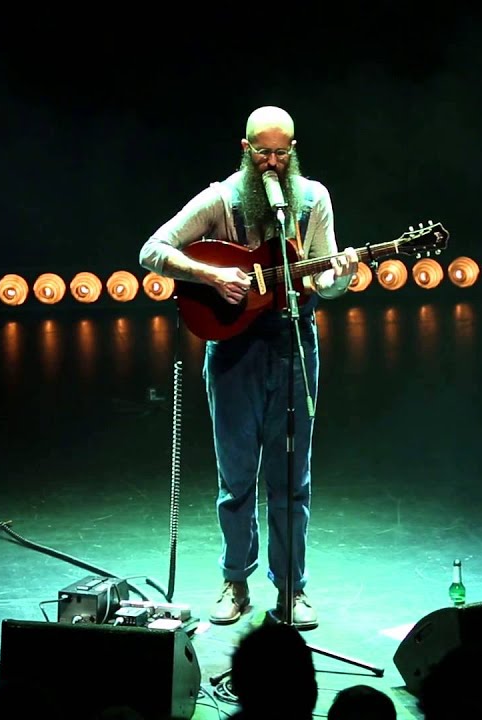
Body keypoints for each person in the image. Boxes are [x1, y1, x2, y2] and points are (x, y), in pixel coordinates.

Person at [139, 105, 357, 629]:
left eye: (282, 153)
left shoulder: (313, 199)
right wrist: (211, 276)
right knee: (236, 477)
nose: (273, 162)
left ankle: (291, 589)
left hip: (294, 344)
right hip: (235, 350)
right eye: (263, 152)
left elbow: (323, 280)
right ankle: (235, 581)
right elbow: (152, 250)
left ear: (293, 151)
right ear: (246, 149)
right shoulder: (220, 199)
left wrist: (343, 276)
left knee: (292, 478)